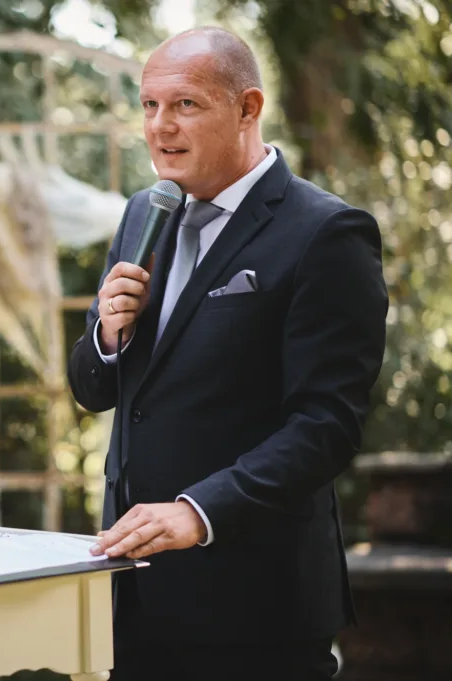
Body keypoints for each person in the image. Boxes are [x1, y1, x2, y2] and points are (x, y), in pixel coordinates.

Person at [67, 26, 388, 681]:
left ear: (248, 108)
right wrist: (108, 336)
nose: (160, 126)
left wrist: (199, 511)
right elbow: (95, 390)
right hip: (134, 596)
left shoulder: (326, 232)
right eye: (149, 105)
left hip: (257, 607)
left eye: (185, 104)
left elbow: (325, 426)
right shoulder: (142, 213)